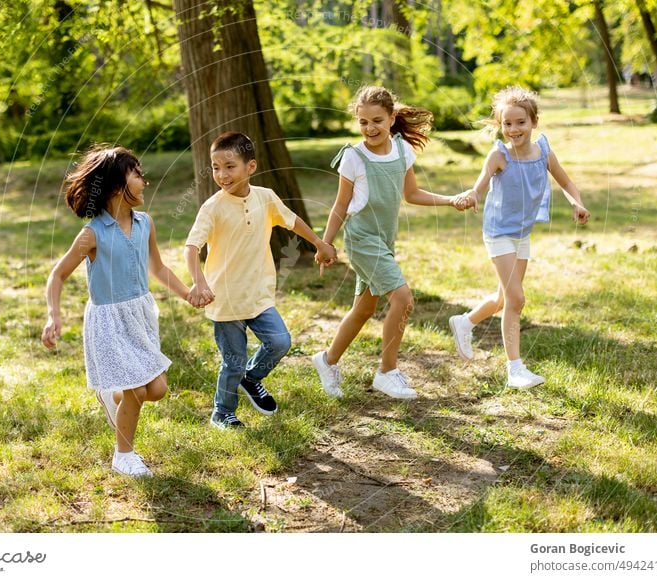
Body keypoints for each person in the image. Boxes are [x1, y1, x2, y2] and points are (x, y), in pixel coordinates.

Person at [42, 145, 202, 477]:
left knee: (155, 389)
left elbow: (157, 268)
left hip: (140, 316)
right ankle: (123, 455)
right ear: (117, 186)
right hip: (108, 321)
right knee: (136, 389)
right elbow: (57, 274)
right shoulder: (92, 234)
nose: (144, 181)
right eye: (137, 174)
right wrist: (53, 315)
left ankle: (109, 394)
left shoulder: (146, 224)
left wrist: (187, 293)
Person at [312, 85, 472, 400]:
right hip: (361, 239)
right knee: (403, 298)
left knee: (363, 309)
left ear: (391, 118)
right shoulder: (353, 157)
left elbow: (411, 194)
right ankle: (387, 371)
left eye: (376, 120)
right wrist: (325, 243)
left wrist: (450, 200)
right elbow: (340, 205)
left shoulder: (402, 151)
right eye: (363, 122)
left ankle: (327, 360)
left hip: (384, 241)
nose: (370, 128)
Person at [185, 132, 337, 430]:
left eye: (230, 166)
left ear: (250, 167)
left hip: (258, 295)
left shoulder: (265, 197)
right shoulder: (212, 207)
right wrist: (198, 282)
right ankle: (223, 411)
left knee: (280, 342)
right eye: (216, 167)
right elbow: (192, 246)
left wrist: (319, 244)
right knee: (233, 361)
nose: (222, 174)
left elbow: (292, 220)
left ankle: (251, 378)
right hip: (225, 300)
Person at [449, 86, 590, 389]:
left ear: (534, 122)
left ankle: (465, 321)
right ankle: (515, 369)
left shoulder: (543, 152)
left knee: (504, 298)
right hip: (498, 232)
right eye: (507, 124)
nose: (514, 129)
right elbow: (480, 186)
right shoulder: (499, 155)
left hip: (522, 234)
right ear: (500, 126)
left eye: (520, 122)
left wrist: (576, 202)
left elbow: (565, 181)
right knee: (517, 299)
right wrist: (471, 195)